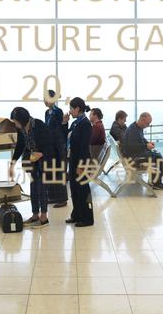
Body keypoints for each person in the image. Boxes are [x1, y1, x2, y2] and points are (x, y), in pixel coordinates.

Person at [8, 107, 54, 228]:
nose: (14, 124)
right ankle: (35, 215)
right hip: (32, 161)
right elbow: (20, 145)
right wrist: (13, 162)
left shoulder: (39, 125)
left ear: (22, 120)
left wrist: (42, 153)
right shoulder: (21, 129)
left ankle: (44, 218)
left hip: (44, 160)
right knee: (33, 188)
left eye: (15, 121)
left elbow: (50, 144)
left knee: (42, 189)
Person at [63, 97, 94, 227]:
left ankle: (87, 219)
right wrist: (65, 123)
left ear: (77, 109)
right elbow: (68, 137)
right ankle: (76, 215)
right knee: (75, 190)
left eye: (71, 108)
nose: (69, 111)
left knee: (83, 190)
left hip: (81, 160)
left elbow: (83, 146)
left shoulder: (85, 124)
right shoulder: (76, 122)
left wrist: (81, 165)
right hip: (73, 158)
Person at [121, 112, 163, 191]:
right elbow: (132, 147)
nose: (148, 125)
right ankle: (156, 182)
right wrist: (146, 146)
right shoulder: (133, 130)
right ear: (142, 120)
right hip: (133, 158)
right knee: (158, 157)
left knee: (156, 155)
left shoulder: (137, 128)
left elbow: (141, 140)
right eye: (147, 123)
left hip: (134, 155)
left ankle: (156, 178)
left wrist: (147, 143)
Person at [44, 89, 68, 208]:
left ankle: (62, 199)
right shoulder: (47, 113)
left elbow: (61, 129)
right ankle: (52, 197)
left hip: (58, 146)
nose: (45, 101)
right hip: (50, 146)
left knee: (59, 172)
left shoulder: (58, 112)